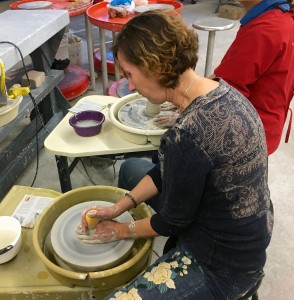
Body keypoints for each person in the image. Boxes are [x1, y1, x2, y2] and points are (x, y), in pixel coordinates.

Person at [77, 10, 273, 299]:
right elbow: (167, 170)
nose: (129, 85)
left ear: (154, 67)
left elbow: (172, 221)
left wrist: (118, 230)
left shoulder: (188, 135)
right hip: (245, 229)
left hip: (225, 266)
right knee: (132, 168)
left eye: (130, 74)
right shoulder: (224, 91)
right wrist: (117, 207)